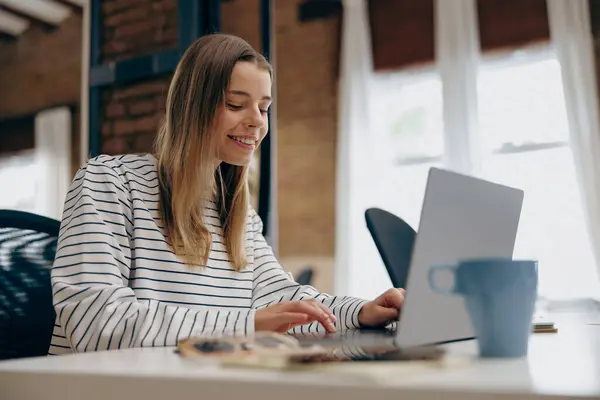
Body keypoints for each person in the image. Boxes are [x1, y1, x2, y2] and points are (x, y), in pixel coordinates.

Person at [48, 33, 405, 355]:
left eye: (263, 108)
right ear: (193, 106)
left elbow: (284, 300)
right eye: (236, 105)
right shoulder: (108, 182)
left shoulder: (237, 215)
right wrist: (248, 324)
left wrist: (360, 312)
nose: (257, 121)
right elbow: (96, 323)